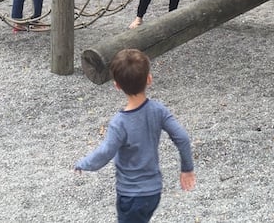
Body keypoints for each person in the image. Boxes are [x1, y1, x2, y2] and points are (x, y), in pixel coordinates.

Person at [74, 48, 195, 222]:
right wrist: (187, 169)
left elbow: (105, 152)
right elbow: (182, 138)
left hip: (131, 195)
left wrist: (84, 164)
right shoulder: (158, 110)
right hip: (153, 192)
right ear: (149, 79)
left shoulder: (119, 123)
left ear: (117, 85)